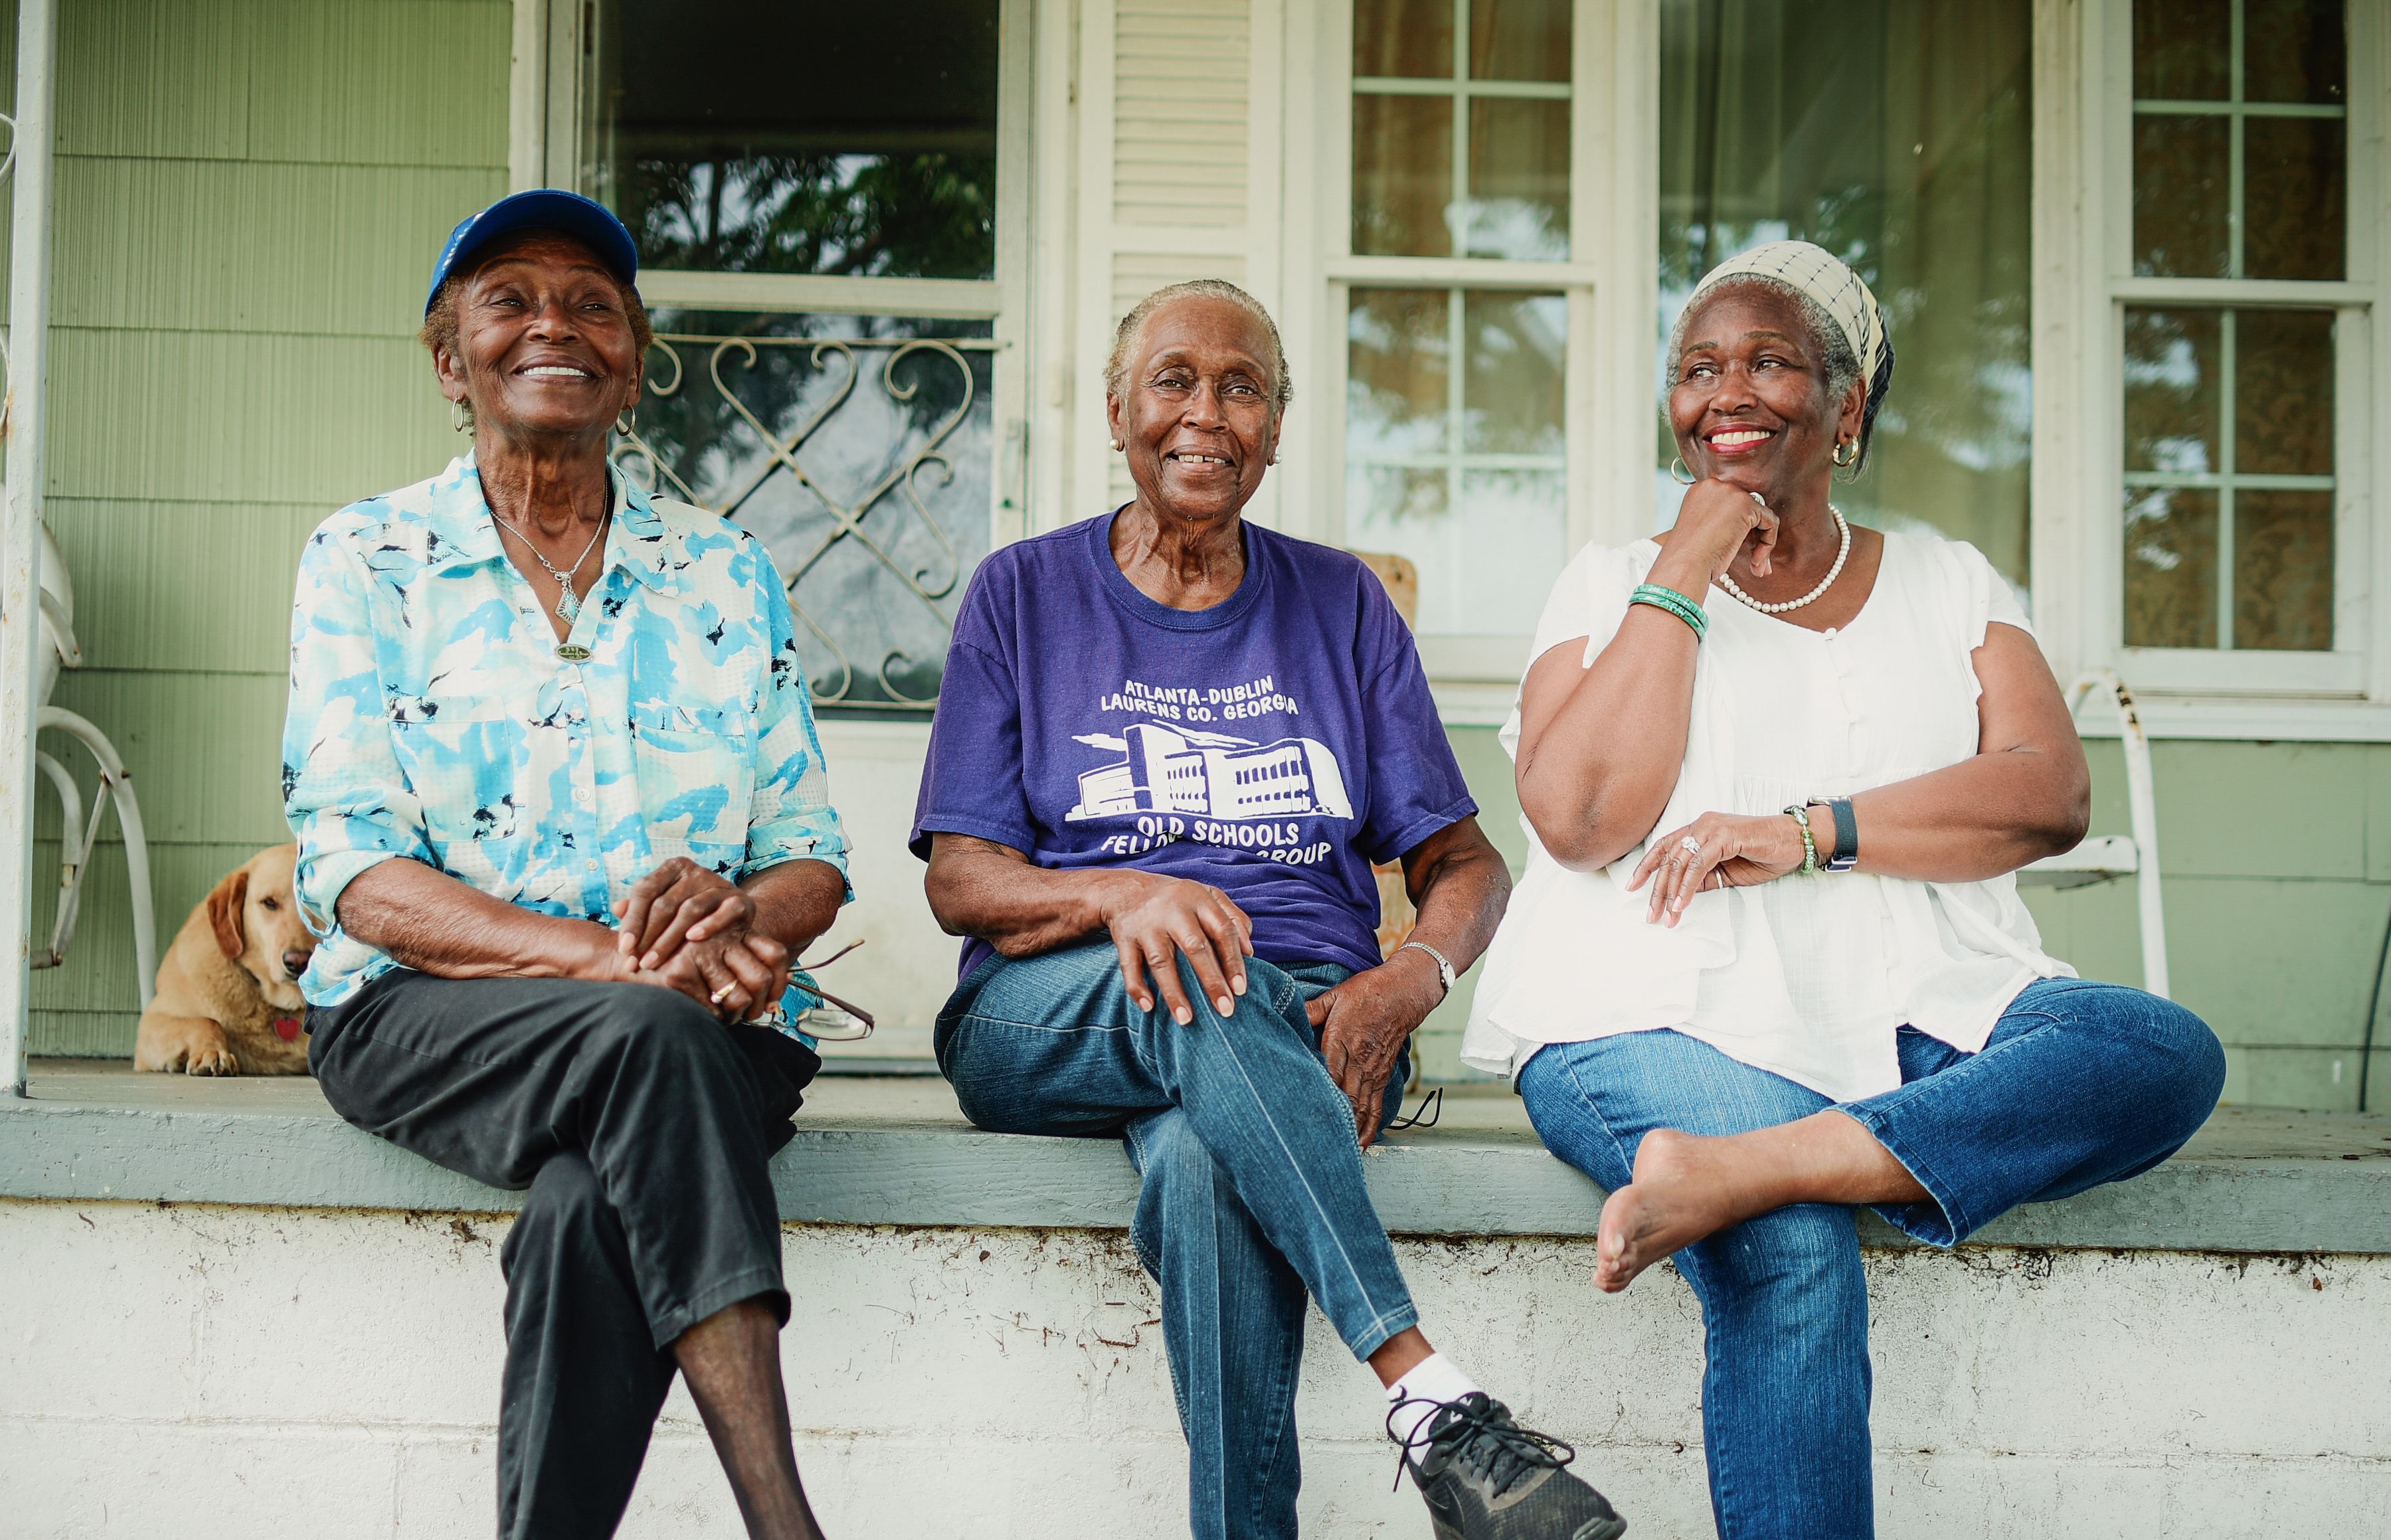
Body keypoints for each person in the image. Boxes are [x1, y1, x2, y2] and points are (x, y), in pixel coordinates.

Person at [1470, 240, 2228, 1538]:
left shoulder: (1949, 583)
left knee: (2158, 1049)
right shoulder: (1608, 581)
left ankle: (1755, 1163)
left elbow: (2048, 790)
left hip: (1919, 1007)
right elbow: (1583, 818)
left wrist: (1809, 830)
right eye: (1698, 366)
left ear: (1848, 405)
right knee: (1796, 1247)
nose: (1729, 391)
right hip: (1645, 1014)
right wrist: (1690, 563)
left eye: (1770, 359)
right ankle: (1777, 1175)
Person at [911, 278, 1625, 1540]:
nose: (1206, 412)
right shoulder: (1022, 595)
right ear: (1121, 411)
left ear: (1277, 427)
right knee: (1201, 973)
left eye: (1242, 388)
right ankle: (1426, 1394)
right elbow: (963, 879)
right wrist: (1129, 893)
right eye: (1174, 382)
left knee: (1202, 1165)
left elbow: (1468, 866)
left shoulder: (1341, 604)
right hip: (1049, 1013)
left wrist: (1409, 987)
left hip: (1304, 1030)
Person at [282, 189, 853, 1540]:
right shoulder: (366, 560)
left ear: (635, 360)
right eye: (511, 300)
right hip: (423, 1016)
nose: (557, 324)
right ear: (449, 359)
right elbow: (357, 877)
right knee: (646, 1031)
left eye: (594, 302)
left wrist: (742, 906)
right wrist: (626, 963)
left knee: (583, 1207)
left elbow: (812, 858)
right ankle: (786, 1520)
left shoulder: (723, 571)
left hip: (710, 1031)